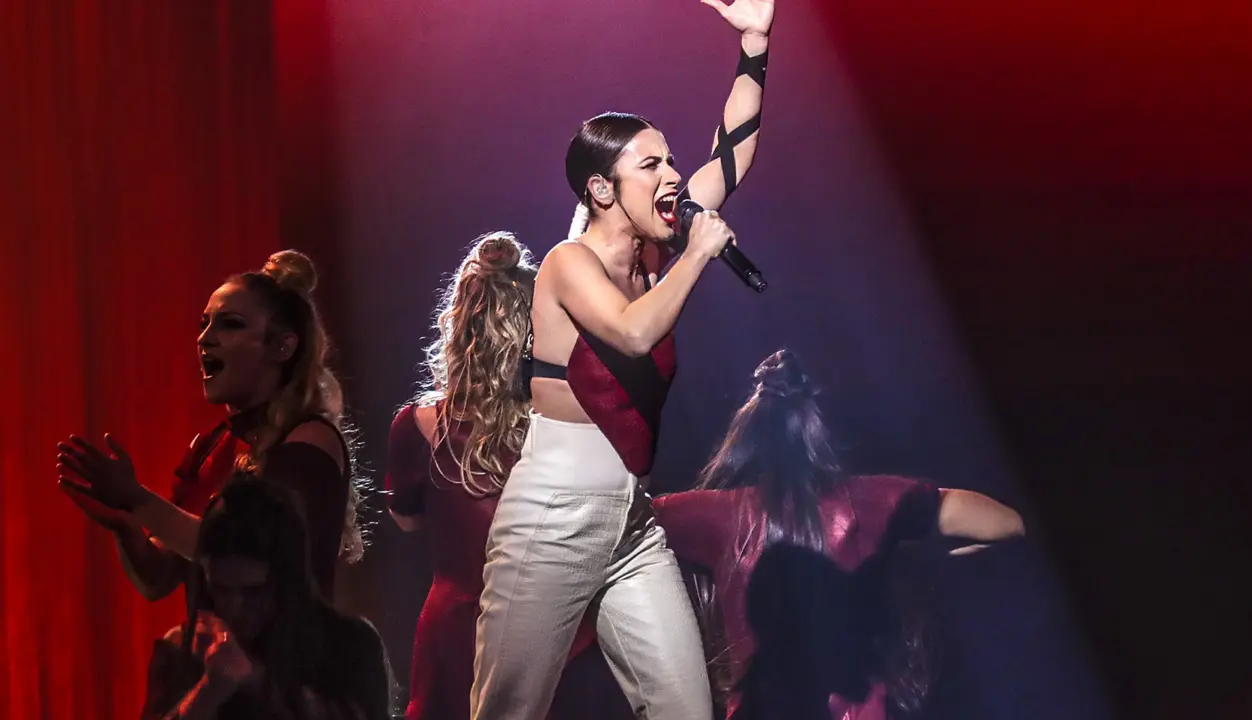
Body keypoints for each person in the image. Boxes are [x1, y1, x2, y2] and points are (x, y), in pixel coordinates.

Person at [471, 2, 777, 718]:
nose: (674, 174)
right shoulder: (567, 263)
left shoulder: (656, 248)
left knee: (686, 709)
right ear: (602, 189)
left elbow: (733, 153)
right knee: (509, 710)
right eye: (652, 164)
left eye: (670, 159)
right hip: (552, 515)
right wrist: (697, 255)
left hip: (630, 518)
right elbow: (633, 334)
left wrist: (756, 42)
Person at [652, 349, 1027, 719]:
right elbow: (1008, 524)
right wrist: (908, 562)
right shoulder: (873, 501)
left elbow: (621, 517)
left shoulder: (719, 515)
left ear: (748, 437)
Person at [386, 233, 626, 720]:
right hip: (557, 637)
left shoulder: (418, 427)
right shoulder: (575, 422)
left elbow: (408, 522)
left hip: (460, 632)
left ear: (459, 329)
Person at [56, 250, 363, 603]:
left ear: (283, 346)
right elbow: (156, 579)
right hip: (211, 642)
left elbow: (250, 559)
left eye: (230, 324)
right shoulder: (211, 449)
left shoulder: (310, 439)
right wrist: (124, 523)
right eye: (203, 324)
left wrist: (138, 500)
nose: (204, 338)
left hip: (290, 641)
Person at [141, 477, 392, 720]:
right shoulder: (184, 650)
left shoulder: (349, 647)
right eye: (220, 589)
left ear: (286, 582)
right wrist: (207, 691)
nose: (233, 608)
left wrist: (256, 680)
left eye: (252, 592)